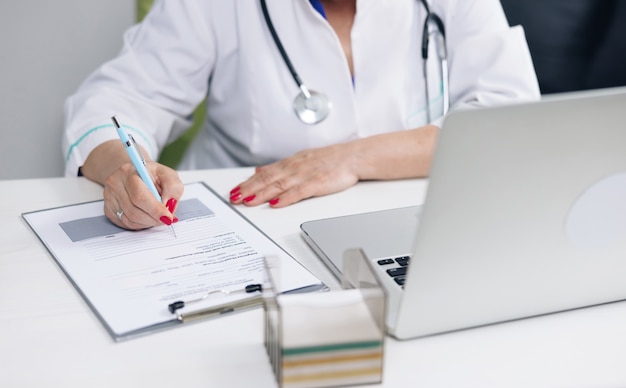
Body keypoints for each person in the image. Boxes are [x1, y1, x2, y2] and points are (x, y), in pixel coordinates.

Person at [63, 0, 540, 230]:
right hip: (249, 224)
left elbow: (512, 122)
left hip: (417, 223)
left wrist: (351, 159)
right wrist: (123, 169)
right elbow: (117, 100)